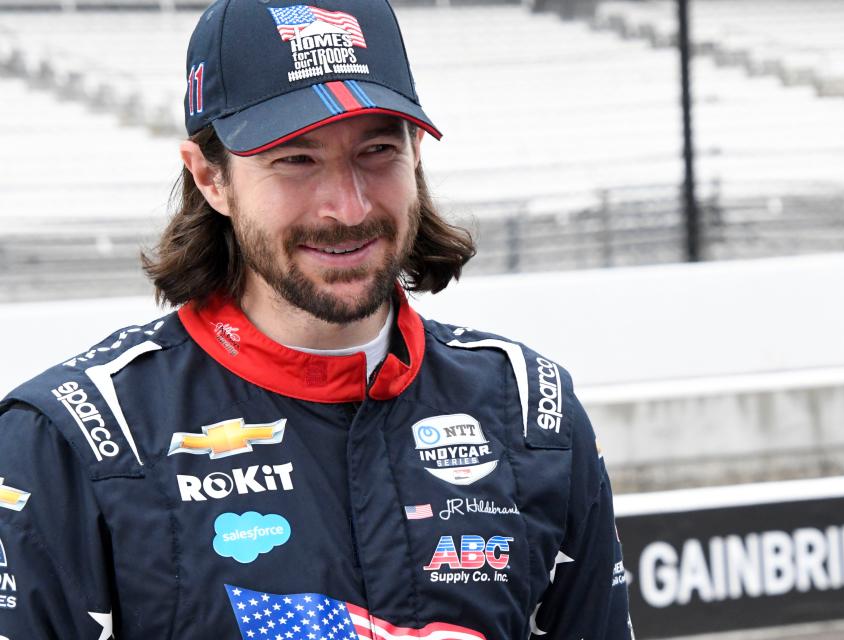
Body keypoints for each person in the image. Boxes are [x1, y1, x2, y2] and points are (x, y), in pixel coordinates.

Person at [0, 0, 633, 638]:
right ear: (211, 178)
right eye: (296, 159)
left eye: (377, 150)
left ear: (416, 154)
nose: (348, 207)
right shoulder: (73, 442)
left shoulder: (532, 414)